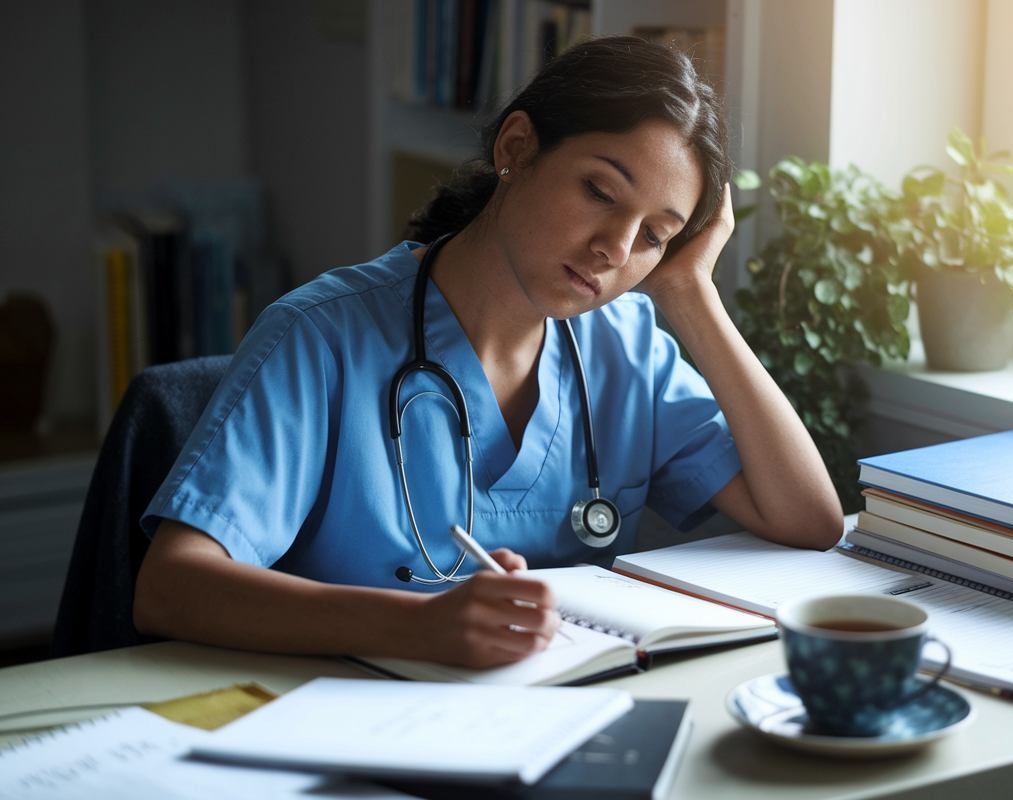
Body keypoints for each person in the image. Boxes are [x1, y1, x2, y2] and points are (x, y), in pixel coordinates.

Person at [133, 36, 842, 669]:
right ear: (516, 150)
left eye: (655, 235)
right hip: (352, 723)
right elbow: (170, 587)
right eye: (601, 192)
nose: (616, 250)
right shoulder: (320, 337)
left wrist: (691, 296)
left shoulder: (624, 346)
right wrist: (418, 625)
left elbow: (808, 521)